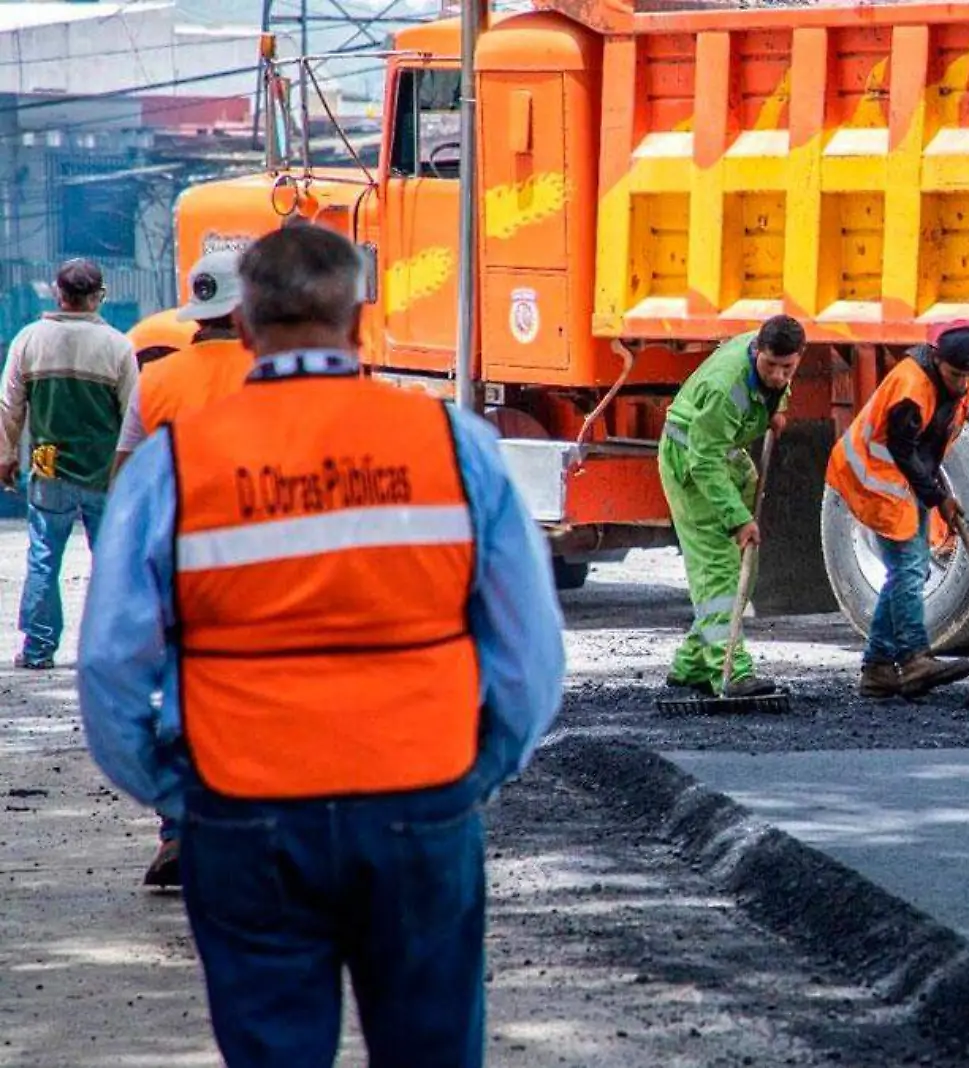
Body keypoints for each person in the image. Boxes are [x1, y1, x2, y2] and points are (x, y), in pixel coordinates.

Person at [77, 225, 565, 1066]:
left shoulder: (177, 467)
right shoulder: (455, 448)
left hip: (245, 808)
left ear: (249, 326)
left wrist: (181, 793)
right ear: (358, 324)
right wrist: (475, 770)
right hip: (420, 800)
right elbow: (529, 653)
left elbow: (110, 665)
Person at [112, 252, 254, 888]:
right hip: (259, 557)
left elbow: (128, 479)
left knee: (181, 694)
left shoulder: (156, 381)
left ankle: (177, 831)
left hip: (178, 561)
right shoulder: (267, 373)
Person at [826, 321, 969, 699]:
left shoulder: (956, 376)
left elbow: (931, 446)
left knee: (905, 569)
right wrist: (938, 498)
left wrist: (935, 494)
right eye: (956, 375)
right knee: (909, 568)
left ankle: (879, 668)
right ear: (936, 360)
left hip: (902, 476)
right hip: (875, 476)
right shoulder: (911, 387)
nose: (963, 384)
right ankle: (913, 658)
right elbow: (904, 450)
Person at [0, 259, 136, 670]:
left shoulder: (29, 340)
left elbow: (9, 406)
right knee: (111, 561)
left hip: (48, 467)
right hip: (104, 473)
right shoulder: (117, 346)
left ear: (58, 294)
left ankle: (39, 649)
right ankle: (112, 650)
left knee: (43, 556)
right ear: (98, 297)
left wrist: (5, 456)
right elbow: (134, 416)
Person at [659, 315, 804, 698]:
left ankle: (691, 664)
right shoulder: (727, 389)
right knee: (719, 572)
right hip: (692, 464)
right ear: (757, 350)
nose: (777, 375)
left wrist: (774, 410)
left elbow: (771, 393)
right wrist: (738, 519)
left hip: (725, 457)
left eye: (786, 368)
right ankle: (732, 670)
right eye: (770, 366)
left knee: (743, 570)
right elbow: (702, 461)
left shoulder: (771, 365)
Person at [115, 251, 252, 477]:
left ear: (197, 316)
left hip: (180, 510)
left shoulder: (151, 381)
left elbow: (124, 479)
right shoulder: (271, 370)